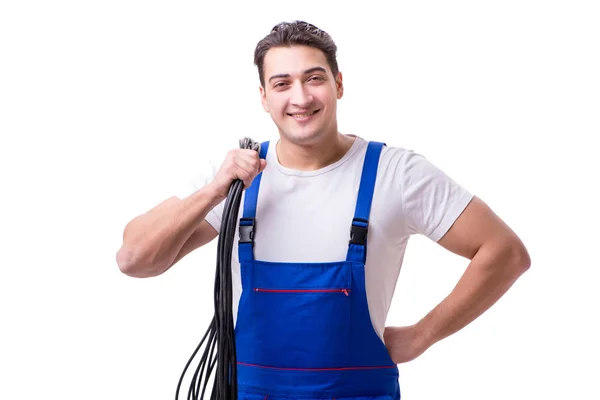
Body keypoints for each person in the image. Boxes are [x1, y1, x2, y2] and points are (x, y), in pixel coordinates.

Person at [116, 20, 530, 399]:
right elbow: (135, 259)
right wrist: (214, 192)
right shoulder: (232, 179)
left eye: (314, 78)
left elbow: (504, 252)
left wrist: (422, 336)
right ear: (263, 97)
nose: (300, 97)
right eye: (282, 84)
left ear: (338, 84)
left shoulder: (395, 174)